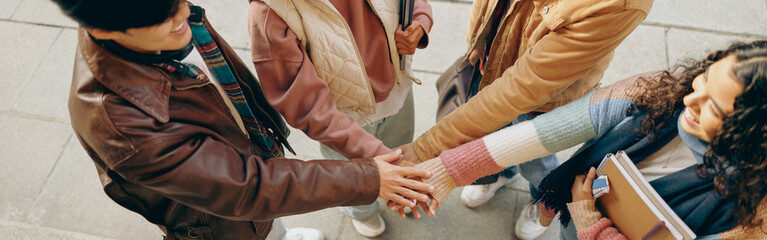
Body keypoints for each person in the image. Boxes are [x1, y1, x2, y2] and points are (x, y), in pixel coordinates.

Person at [55, 0, 434, 239]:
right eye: (166, 17)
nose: (185, 14)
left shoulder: (149, 23)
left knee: (271, 225)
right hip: (219, 222)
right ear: (103, 29)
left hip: (249, 167)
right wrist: (368, 178)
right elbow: (248, 189)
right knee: (254, 227)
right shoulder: (124, 128)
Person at [405, 41, 767, 239]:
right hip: (572, 218)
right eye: (702, 80)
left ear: (752, 130)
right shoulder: (661, 89)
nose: (690, 99)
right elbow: (547, 132)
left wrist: (588, 220)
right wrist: (449, 170)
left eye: (714, 107)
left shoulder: (755, 218)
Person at [396, 0, 651, 238]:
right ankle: (503, 174)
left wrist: (427, 148)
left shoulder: (619, 5)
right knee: (496, 132)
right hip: (494, 61)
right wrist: (477, 38)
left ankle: (538, 198)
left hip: (544, 99)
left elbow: (521, 89)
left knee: (536, 162)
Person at [247, 0, 433, 236]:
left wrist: (420, 20)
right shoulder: (271, 10)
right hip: (343, 120)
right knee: (356, 176)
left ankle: (398, 190)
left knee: (401, 146)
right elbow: (305, 103)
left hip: (398, 91)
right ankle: (362, 213)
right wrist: (375, 157)